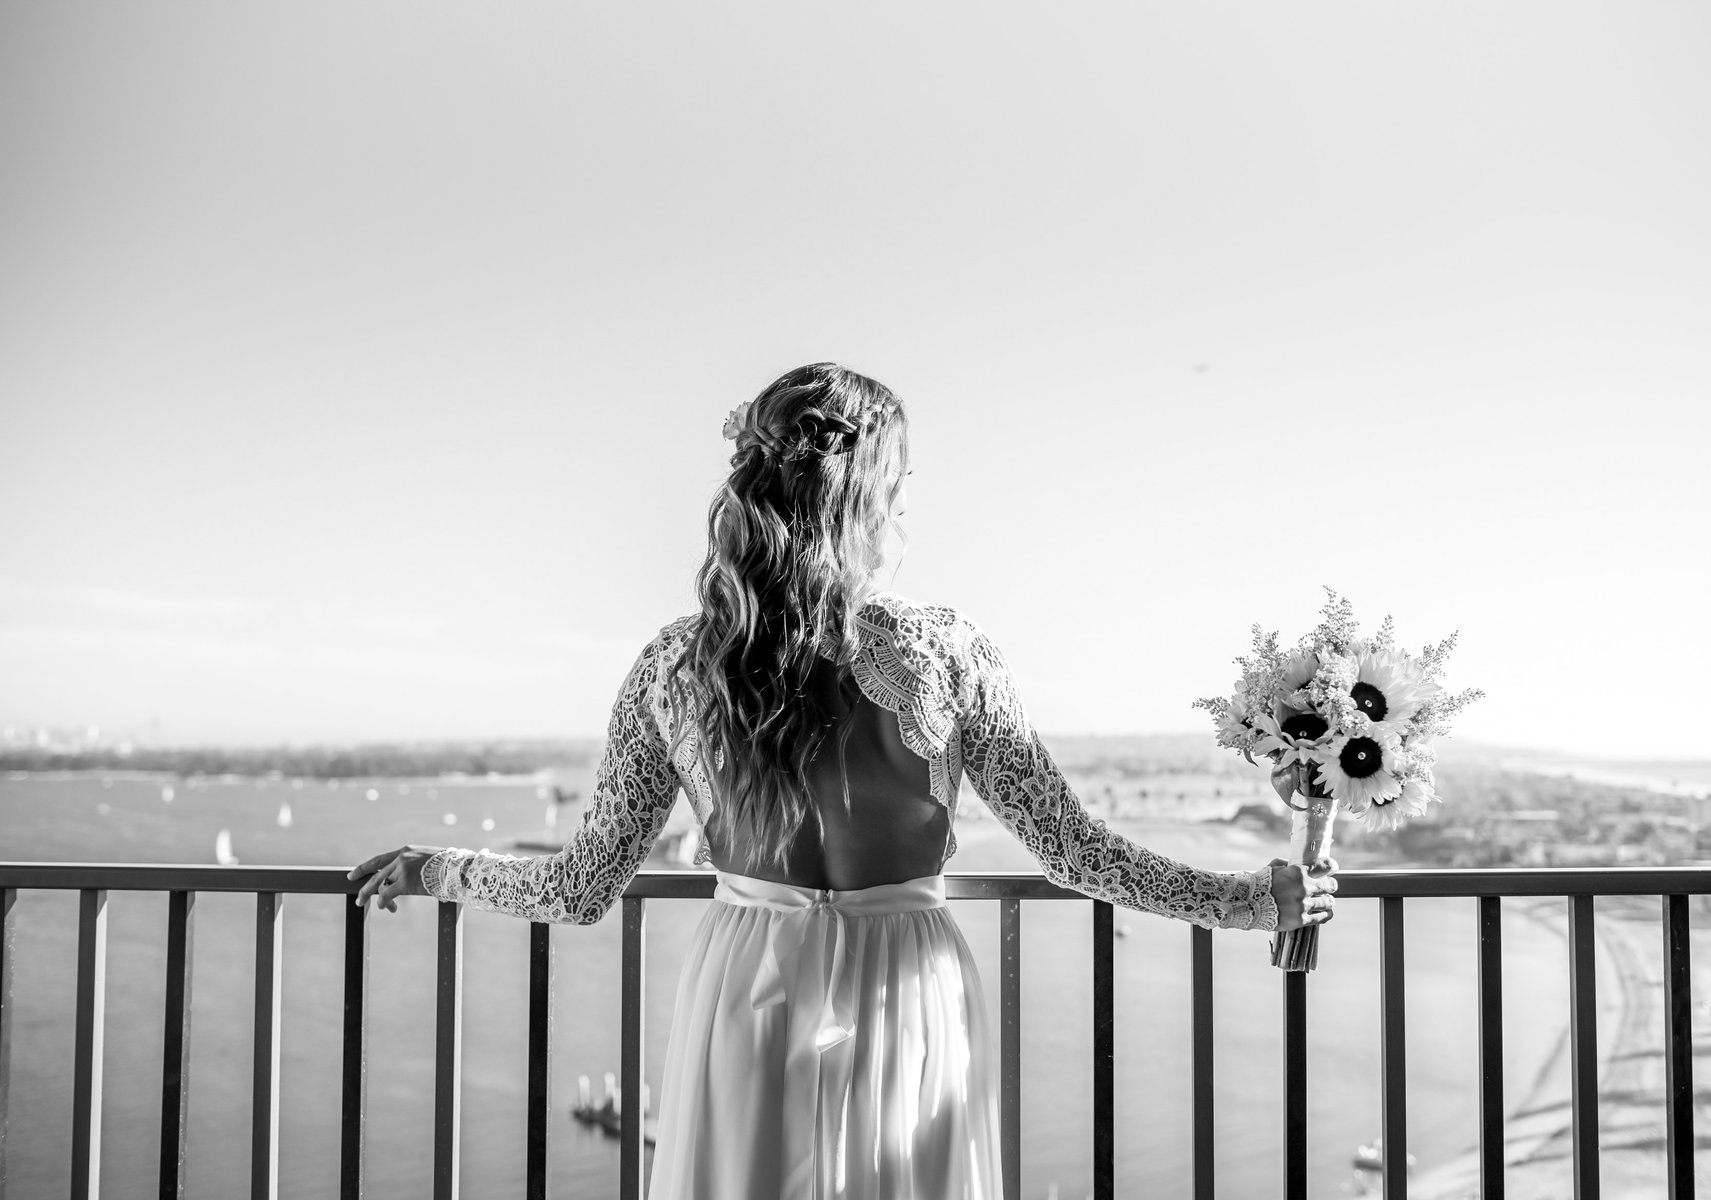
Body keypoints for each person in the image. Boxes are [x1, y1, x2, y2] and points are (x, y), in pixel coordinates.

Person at [348, 363, 1338, 1200]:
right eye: (901, 482)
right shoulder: (947, 650)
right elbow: (1076, 854)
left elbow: (579, 887)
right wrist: (1251, 902)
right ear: (867, 495)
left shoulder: (674, 667)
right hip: (906, 990)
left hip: (744, 987)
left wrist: (440, 869)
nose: (908, 506)